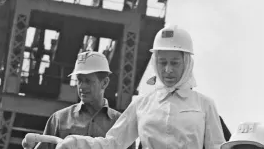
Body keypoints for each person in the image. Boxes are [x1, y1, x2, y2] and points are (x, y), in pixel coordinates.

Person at [55, 24, 226, 149]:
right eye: (162, 62)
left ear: (187, 63)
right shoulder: (142, 104)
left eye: (174, 63)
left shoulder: (204, 106)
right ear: (155, 62)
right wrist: (77, 142)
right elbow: (113, 143)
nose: (167, 70)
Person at [22, 51, 123, 149]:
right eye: (79, 80)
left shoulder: (120, 122)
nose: (82, 86)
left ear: (104, 83)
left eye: (88, 81)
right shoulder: (59, 119)